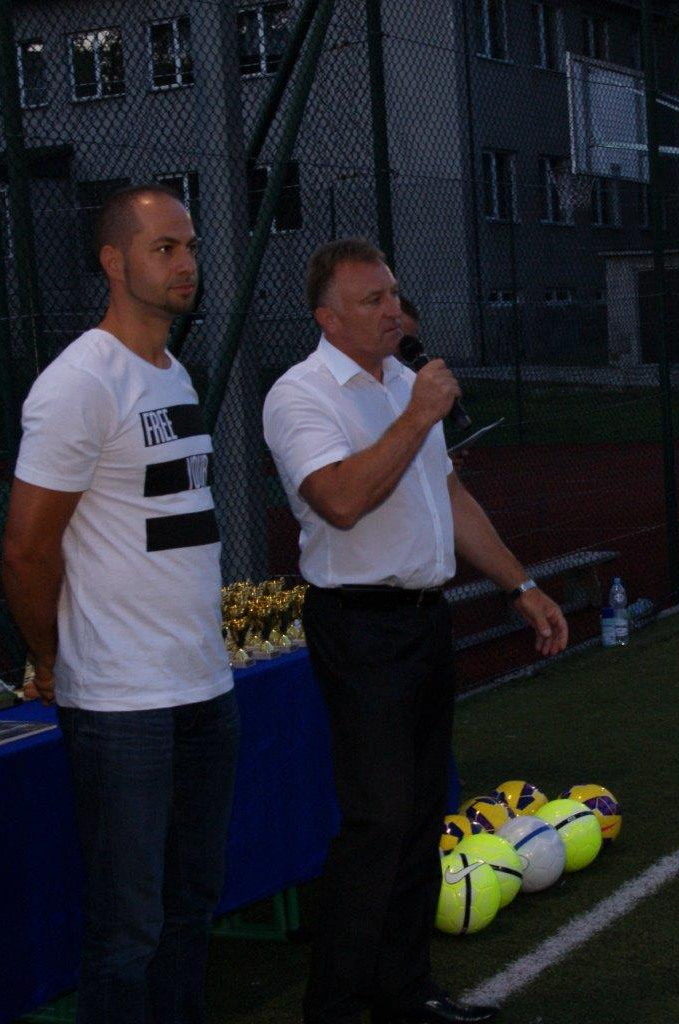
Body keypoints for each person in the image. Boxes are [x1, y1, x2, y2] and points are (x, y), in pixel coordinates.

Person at [262, 238, 568, 1024]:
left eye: (394, 294)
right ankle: (334, 1007)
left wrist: (520, 584)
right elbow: (339, 500)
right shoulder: (300, 395)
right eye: (372, 300)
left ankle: (407, 994)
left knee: (423, 814)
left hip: (426, 620)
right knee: (379, 822)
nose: (393, 310)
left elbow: (450, 497)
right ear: (328, 318)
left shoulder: (406, 382)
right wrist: (418, 414)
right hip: (360, 625)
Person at [2, 184, 239, 1024]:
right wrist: (50, 657)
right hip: (120, 699)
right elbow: (25, 549)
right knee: (127, 928)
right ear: (113, 262)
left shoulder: (173, 371)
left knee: (190, 904)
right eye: (163, 248)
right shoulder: (79, 382)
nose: (186, 263)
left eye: (190, 246)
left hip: (203, 683)